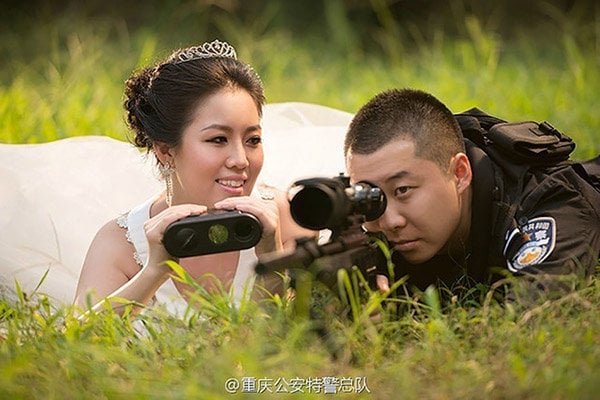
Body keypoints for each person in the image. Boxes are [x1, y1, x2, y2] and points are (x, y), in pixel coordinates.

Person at [74, 40, 314, 315]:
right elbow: (76, 339)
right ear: (165, 151)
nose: (240, 160)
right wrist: (154, 272)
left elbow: (292, 334)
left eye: (253, 139)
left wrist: (272, 255)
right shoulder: (121, 243)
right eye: (218, 139)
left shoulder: (287, 216)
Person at [344, 88, 600, 300]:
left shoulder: (547, 206)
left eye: (402, 191)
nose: (390, 222)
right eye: (371, 196)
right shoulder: (377, 228)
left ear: (459, 173)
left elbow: (530, 325)